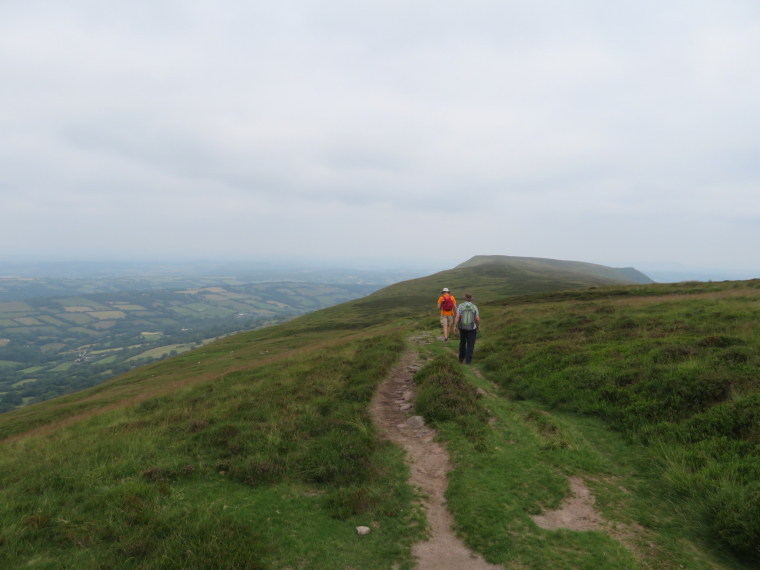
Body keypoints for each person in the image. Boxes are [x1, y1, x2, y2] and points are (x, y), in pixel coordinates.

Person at [454, 293, 480, 364]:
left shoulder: (461, 306)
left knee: (462, 343)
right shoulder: (474, 306)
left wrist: (455, 326)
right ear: (471, 299)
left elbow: (457, 316)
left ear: (465, 298)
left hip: (462, 327)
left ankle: (461, 358)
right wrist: (478, 325)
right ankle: (468, 361)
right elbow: (477, 318)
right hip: (472, 328)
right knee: (470, 344)